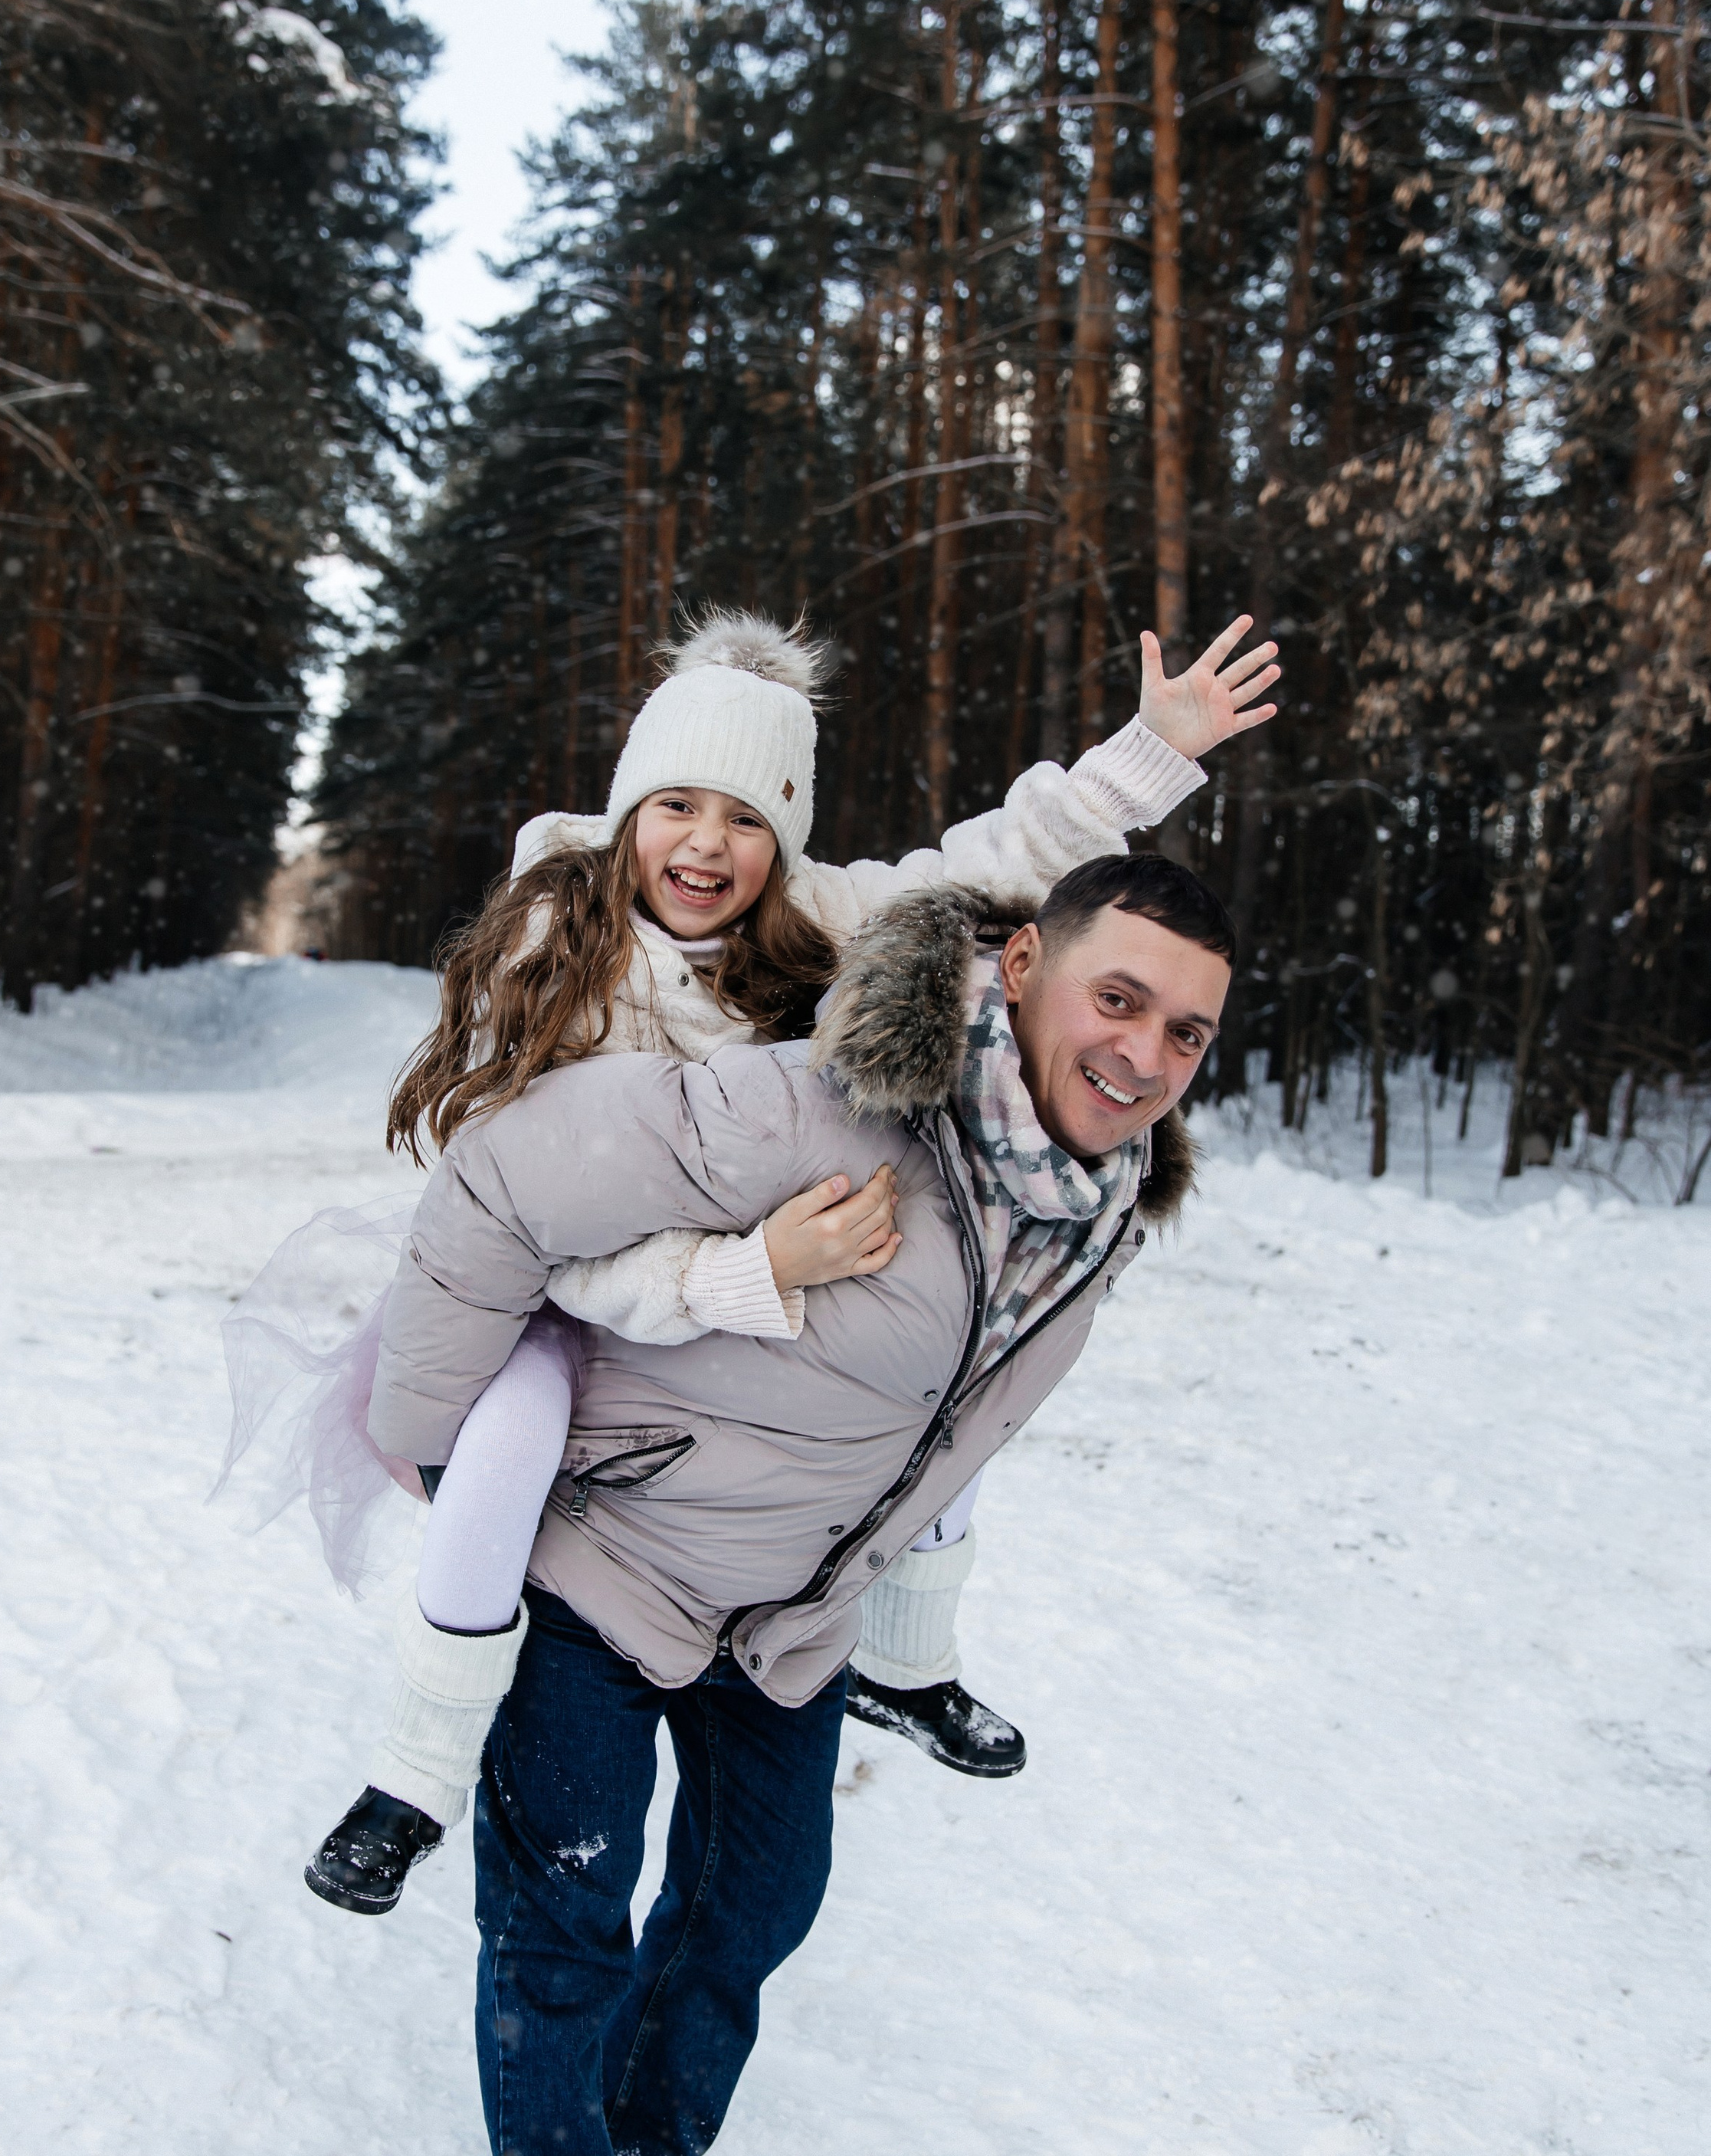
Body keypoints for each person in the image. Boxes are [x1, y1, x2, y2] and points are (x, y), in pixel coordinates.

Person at [363, 846, 1239, 2156]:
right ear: (1022, 965)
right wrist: (422, 1434)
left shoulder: (1097, 1211)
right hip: (606, 1563)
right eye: (1114, 998)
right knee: (560, 1933)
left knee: (758, 1902)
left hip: (785, 1615)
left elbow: (952, 1428)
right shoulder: (819, 1106)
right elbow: (495, 1180)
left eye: (1185, 1033)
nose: (1140, 1054)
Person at [304, 609, 1277, 1915]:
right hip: (568, 1279)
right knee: (508, 1442)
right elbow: (523, 1203)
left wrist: (1148, 756)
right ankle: (413, 1774)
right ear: (624, 810)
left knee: (946, 1387)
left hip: (756, 1272)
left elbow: (1000, 858)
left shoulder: (817, 916)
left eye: (749, 819)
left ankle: (908, 1659)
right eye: (678, 806)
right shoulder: (558, 953)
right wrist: (742, 1270)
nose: (709, 845)